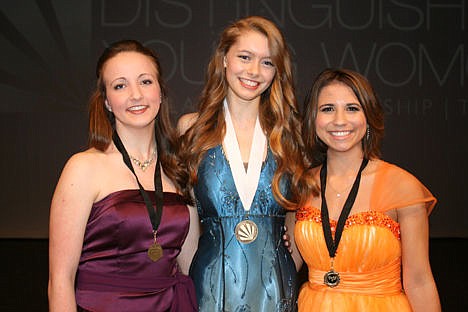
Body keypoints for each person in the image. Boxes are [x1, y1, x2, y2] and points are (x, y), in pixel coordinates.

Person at [48, 40, 197, 311]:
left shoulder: (178, 169)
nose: (136, 95)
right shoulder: (83, 168)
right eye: (120, 85)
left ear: (161, 92)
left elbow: (190, 266)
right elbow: (60, 280)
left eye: (145, 82)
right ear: (106, 101)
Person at [177, 16, 310, 312]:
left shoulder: (288, 133)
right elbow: (187, 219)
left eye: (267, 62)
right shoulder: (191, 129)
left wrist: (288, 266)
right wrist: (190, 282)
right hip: (210, 290)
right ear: (224, 58)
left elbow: (297, 212)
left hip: (276, 291)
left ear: (277, 71)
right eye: (245, 57)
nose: (254, 71)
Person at [295, 68, 441, 311]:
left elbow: (419, 281)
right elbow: (282, 268)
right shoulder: (301, 186)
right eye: (327, 109)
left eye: (352, 108)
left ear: (369, 116)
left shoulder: (402, 186)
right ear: (313, 119)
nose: (339, 120)